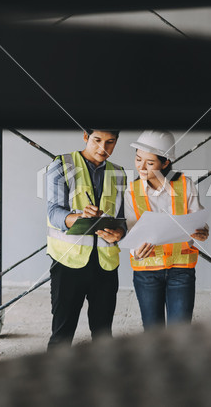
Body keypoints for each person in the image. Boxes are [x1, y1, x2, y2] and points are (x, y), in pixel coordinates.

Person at [46, 129, 126, 349]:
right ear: (85, 137)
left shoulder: (118, 173)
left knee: (103, 334)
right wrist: (78, 217)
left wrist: (120, 232)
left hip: (105, 264)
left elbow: (121, 219)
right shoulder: (61, 165)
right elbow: (54, 213)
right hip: (68, 262)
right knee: (62, 334)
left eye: (110, 142)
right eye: (97, 140)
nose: (103, 148)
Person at [124, 130, 209, 330]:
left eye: (150, 163)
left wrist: (203, 230)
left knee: (180, 333)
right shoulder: (131, 191)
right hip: (147, 272)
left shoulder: (185, 184)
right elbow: (131, 229)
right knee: (153, 334)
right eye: (138, 159)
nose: (141, 167)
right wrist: (135, 250)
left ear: (165, 163)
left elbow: (198, 218)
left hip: (181, 270)